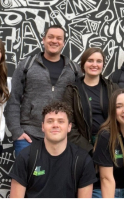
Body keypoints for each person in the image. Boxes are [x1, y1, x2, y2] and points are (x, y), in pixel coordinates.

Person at [5, 25, 82, 156]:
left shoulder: (73, 69)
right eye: (50, 37)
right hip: (29, 135)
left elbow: (81, 103)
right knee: (25, 176)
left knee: (57, 176)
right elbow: (14, 99)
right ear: (43, 39)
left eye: (59, 38)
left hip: (61, 136)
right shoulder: (27, 65)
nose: (54, 41)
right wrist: (17, 132)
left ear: (64, 42)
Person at [9, 101, 97, 198]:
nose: (55, 125)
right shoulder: (26, 156)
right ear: (43, 126)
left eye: (61, 121)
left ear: (69, 127)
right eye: (50, 121)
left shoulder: (82, 160)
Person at [63, 47, 119, 154]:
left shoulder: (113, 88)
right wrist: (88, 149)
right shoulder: (72, 90)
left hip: (110, 144)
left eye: (99, 61)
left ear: (103, 64)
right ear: (83, 64)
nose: (94, 64)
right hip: (82, 147)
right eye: (90, 60)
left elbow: (120, 117)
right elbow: (69, 124)